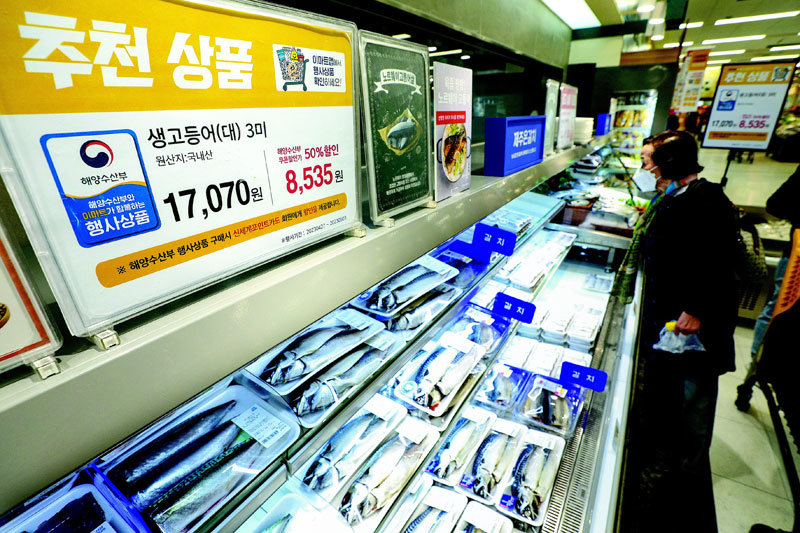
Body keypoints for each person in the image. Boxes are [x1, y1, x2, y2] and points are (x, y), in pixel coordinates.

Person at [613, 131, 739, 532]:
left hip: (694, 330)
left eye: (651, 161)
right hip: (671, 321)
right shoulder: (676, 195)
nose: (647, 168)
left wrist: (696, 310)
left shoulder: (707, 200)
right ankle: (666, 462)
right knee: (674, 401)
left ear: (671, 164)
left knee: (694, 402)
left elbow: (720, 264)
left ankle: (686, 486)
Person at [736, 165, 800, 411]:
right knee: (778, 310)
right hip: (796, 257)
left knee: (779, 311)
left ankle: (762, 369)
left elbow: (776, 205)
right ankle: (760, 368)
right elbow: (776, 204)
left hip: (795, 256)